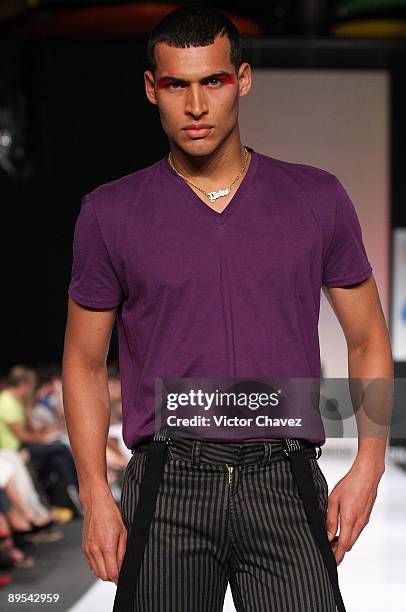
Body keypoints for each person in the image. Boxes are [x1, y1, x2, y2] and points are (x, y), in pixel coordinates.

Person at [62, 4, 393, 611]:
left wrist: (368, 467)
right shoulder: (110, 213)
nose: (195, 106)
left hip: (284, 479)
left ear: (241, 79)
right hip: (168, 483)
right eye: (176, 85)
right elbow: (83, 363)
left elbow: (369, 336)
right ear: (150, 89)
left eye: (212, 81)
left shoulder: (316, 198)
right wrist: (96, 496)